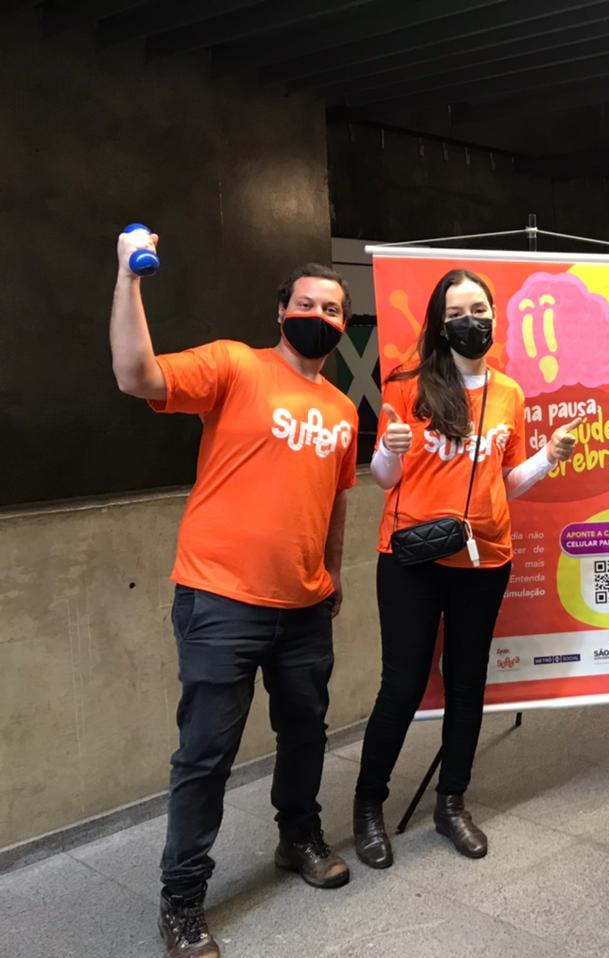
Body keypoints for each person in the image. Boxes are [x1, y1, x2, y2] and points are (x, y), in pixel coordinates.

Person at [110, 230, 359, 958]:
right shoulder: (232, 366)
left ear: (345, 325)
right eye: (308, 303)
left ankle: (298, 838)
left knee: (305, 735)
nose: (321, 315)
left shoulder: (343, 411)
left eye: (335, 308)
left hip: (306, 606)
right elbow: (136, 375)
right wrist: (128, 278)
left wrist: (335, 572)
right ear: (282, 310)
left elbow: (336, 500)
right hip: (220, 602)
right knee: (207, 754)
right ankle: (182, 900)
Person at [352, 269, 581, 865]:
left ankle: (451, 802)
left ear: (495, 316)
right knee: (401, 686)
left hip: (485, 558)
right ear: (439, 322)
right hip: (411, 558)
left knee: (468, 682)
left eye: (478, 309)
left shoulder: (508, 393)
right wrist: (386, 452)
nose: (469, 321)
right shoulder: (406, 384)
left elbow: (509, 481)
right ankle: (368, 807)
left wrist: (549, 459)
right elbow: (384, 480)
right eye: (456, 312)